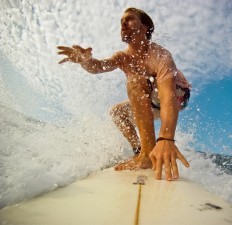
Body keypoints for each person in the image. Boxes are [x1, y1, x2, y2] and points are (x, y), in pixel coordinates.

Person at [57, 7, 191, 181]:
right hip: (152, 100)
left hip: (177, 94)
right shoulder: (123, 57)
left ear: (144, 27)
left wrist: (166, 137)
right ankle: (139, 151)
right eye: (121, 22)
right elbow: (99, 67)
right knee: (117, 113)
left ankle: (147, 154)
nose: (123, 24)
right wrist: (86, 61)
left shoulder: (159, 54)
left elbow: (167, 95)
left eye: (129, 19)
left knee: (136, 80)